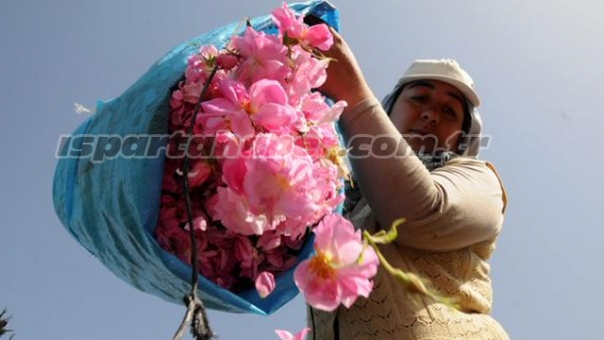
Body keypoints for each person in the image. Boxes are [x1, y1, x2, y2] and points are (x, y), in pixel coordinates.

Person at [307, 29, 510, 340]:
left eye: (449, 111)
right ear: (389, 113)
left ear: (461, 139)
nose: (430, 114)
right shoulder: (337, 198)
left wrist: (351, 94)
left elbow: (419, 214)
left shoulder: (479, 179)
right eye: (420, 98)